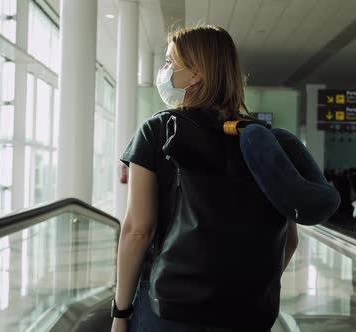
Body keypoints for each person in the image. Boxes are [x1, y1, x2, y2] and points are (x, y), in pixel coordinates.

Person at [112, 26, 300, 332]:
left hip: (171, 312)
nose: (166, 71)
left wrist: (121, 314)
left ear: (196, 73)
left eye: (171, 62)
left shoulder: (158, 131)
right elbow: (289, 241)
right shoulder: (265, 141)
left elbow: (137, 231)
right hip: (248, 314)